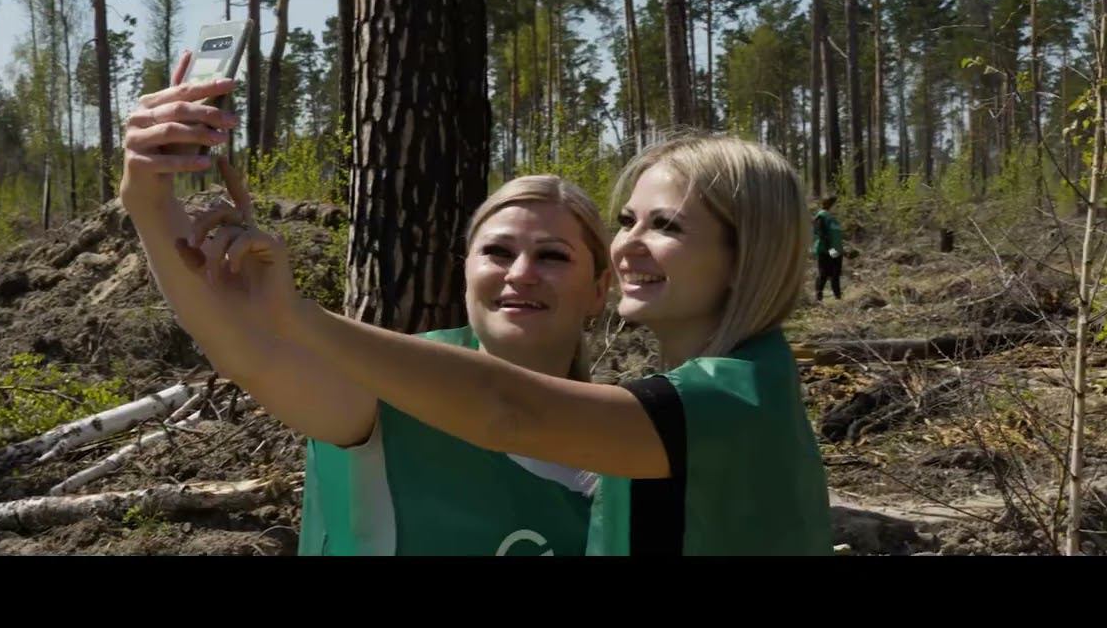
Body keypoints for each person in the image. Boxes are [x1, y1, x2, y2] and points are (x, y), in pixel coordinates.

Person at [170, 120, 833, 555]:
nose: (628, 244)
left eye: (667, 226)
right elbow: (253, 359)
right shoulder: (713, 390)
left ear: (745, 256)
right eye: (627, 220)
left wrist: (296, 314)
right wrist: (154, 199)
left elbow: (506, 410)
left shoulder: (735, 399)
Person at [119, 52, 610, 555]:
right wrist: (150, 201)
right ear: (464, 272)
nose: (520, 274)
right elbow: (252, 356)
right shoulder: (395, 391)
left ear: (600, 288)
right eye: (497, 253)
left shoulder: (626, 438)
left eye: (552, 255)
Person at [813, 195, 844, 302]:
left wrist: (844, 251)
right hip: (825, 250)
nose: (839, 207)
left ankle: (838, 298)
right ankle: (818, 298)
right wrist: (830, 250)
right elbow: (821, 234)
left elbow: (836, 236)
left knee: (836, 274)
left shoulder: (833, 219)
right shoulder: (821, 216)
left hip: (836, 251)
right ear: (831, 204)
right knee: (824, 274)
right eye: (837, 204)